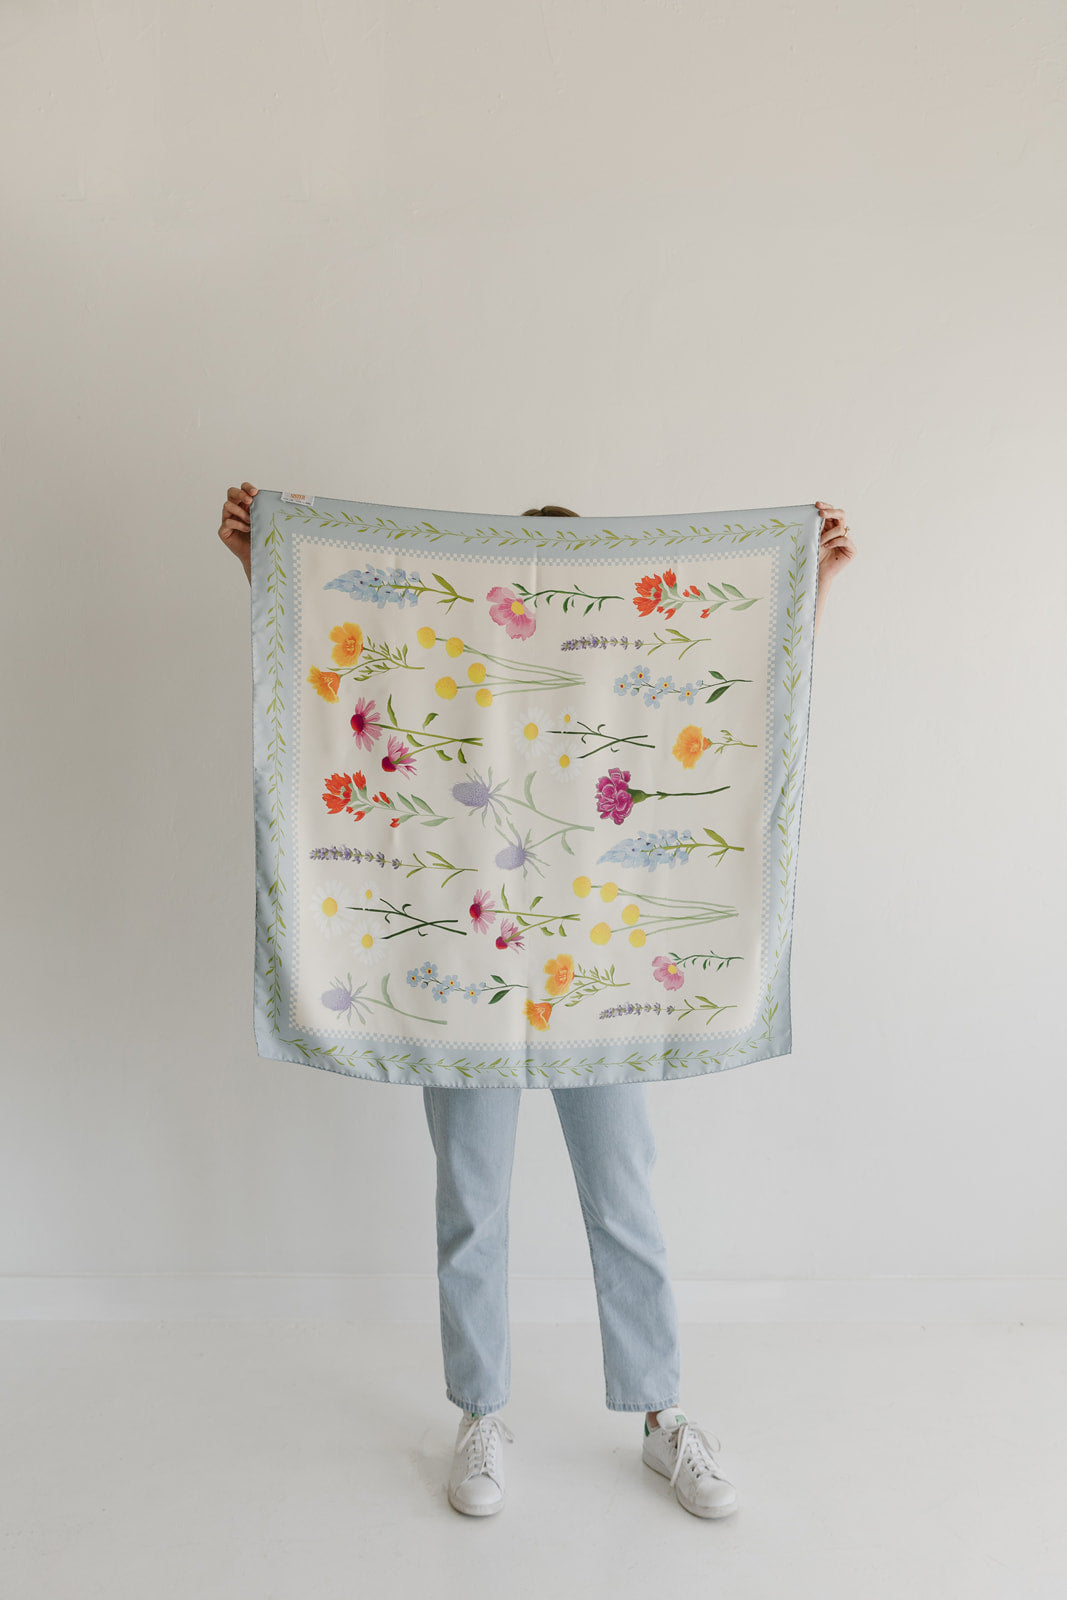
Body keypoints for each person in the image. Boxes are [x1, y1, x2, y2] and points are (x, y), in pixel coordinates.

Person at [219, 483, 856, 1519]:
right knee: (471, 1203)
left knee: (623, 1198)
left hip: (594, 982)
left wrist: (804, 583)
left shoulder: (610, 685)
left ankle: (661, 1416)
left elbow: (723, 673)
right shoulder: (471, 674)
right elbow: (360, 653)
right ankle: (480, 1414)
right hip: (468, 971)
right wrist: (270, 566)